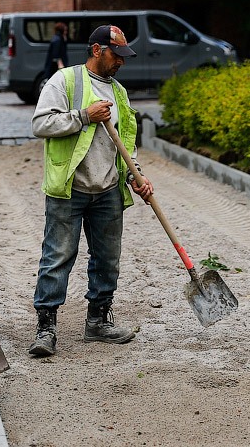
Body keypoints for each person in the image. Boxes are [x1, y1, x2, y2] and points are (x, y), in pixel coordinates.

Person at [28, 24, 153, 357]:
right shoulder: (64, 81)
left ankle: (97, 322)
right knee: (57, 257)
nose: (121, 62)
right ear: (97, 50)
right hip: (70, 187)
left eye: (124, 57)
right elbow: (40, 124)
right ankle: (46, 328)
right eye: (116, 55)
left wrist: (135, 175)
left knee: (108, 259)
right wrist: (84, 115)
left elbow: (126, 143)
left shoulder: (120, 93)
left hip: (108, 188)